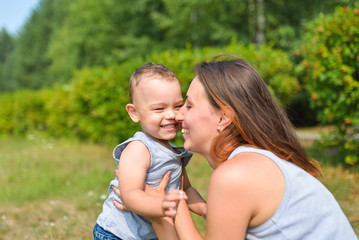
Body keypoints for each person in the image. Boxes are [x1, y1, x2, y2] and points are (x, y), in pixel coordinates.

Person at [115, 55, 358, 239]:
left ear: (223, 118)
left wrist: (163, 212)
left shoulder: (236, 176)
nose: (179, 117)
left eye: (187, 106)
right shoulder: (256, 162)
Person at [94, 63, 206, 240]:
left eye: (177, 106)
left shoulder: (174, 153)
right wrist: (160, 206)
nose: (170, 114)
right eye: (159, 109)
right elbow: (130, 194)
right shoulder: (138, 148)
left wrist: (203, 208)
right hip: (119, 234)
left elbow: (186, 189)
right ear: (134, 113)